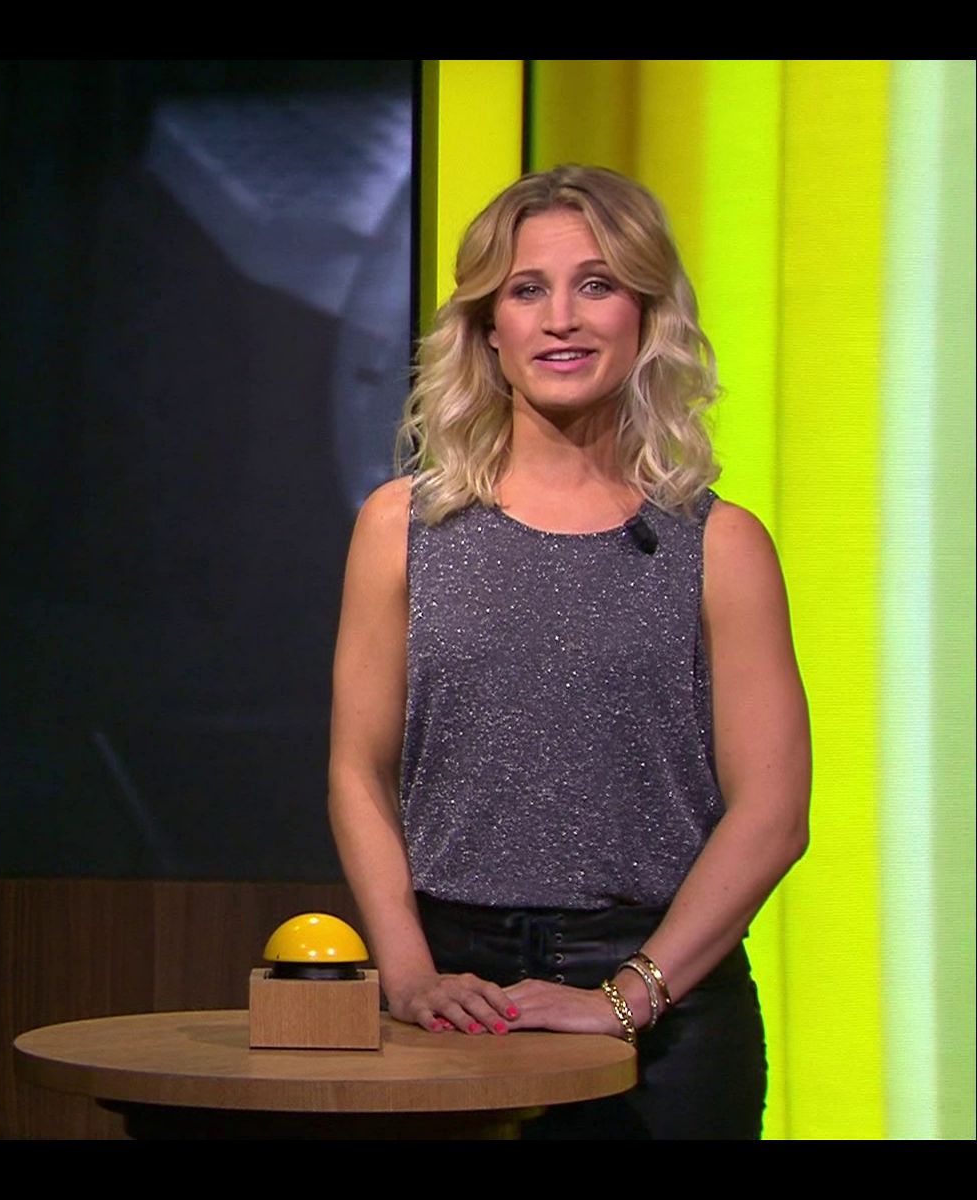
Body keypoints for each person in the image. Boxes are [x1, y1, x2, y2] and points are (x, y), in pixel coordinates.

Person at [327, 164, 812, 1139]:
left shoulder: (719, 545)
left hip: (667, 1005)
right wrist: (409, 974)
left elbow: (773, 813)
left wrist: (627, 997)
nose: (561, 320)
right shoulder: (402, 528)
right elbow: (357, 771)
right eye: (526, 290)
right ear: (487, 327)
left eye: (596, 285)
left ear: (645, 316)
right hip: (452, 995)